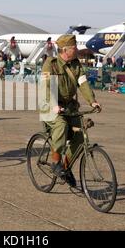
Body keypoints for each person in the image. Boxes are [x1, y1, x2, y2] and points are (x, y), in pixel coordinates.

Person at [40, 35, 101, 188]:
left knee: (81, 136)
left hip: (70, 107)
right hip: (50, 105)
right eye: (74, 48)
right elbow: (47, 87)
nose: (77, 50)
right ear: (66, 50)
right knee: (61, 126)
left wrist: (92, 101)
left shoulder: (76, 65)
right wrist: (54, 105)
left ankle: (65, 168)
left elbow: (83, 83)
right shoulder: (50, 64)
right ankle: (55, 163)